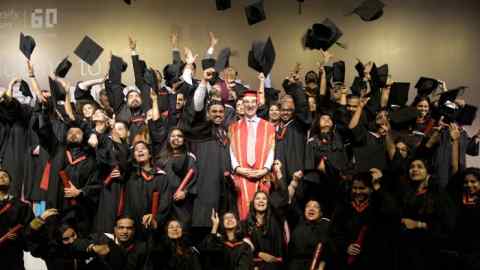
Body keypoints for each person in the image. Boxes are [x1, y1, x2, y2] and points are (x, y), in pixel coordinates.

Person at [330, 170, 399, 270]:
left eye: (362, 188)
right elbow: (333, 234)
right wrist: (346, 246)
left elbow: (394, 214)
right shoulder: (343, 208)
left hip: (373, 261)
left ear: (370, 189)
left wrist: (377, 186)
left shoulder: (378, 206)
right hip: (347, 261)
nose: (357, 192)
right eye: (355, 188)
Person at [229, 89, 276, 220]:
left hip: (262, 176)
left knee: (261, 212)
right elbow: (231, 151)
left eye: (253, 102)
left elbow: (271, 150)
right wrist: (237, 168)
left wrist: (265, 169)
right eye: (246, 102)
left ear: (257, 104)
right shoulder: (233, 127)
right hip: (241, 176)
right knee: (243, 210)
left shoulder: (268, 127)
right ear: (242, 105)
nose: (250, 105)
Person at [73, 216, 148, 270]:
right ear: (115, 229)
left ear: (134, 231)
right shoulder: (102, 238)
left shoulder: (141, 248)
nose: (125, 231)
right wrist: (93, 247)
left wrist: (113, 248)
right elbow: (76, 244)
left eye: (129, 228)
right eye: (121, 228)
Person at [0, 169, 35, 270]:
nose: (1, 177)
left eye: (5, 176)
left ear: (10, 182)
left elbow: (29, 229)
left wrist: (18, 236)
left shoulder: (21, 206)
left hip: (13, 255)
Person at [287, 200, 331, 270]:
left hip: (316, 266)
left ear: (321, 213)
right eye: (308, 206)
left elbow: (328, 252)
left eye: (316, 207)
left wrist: (321, 266)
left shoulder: (326, 227)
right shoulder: (297, 227)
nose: (311, 209)